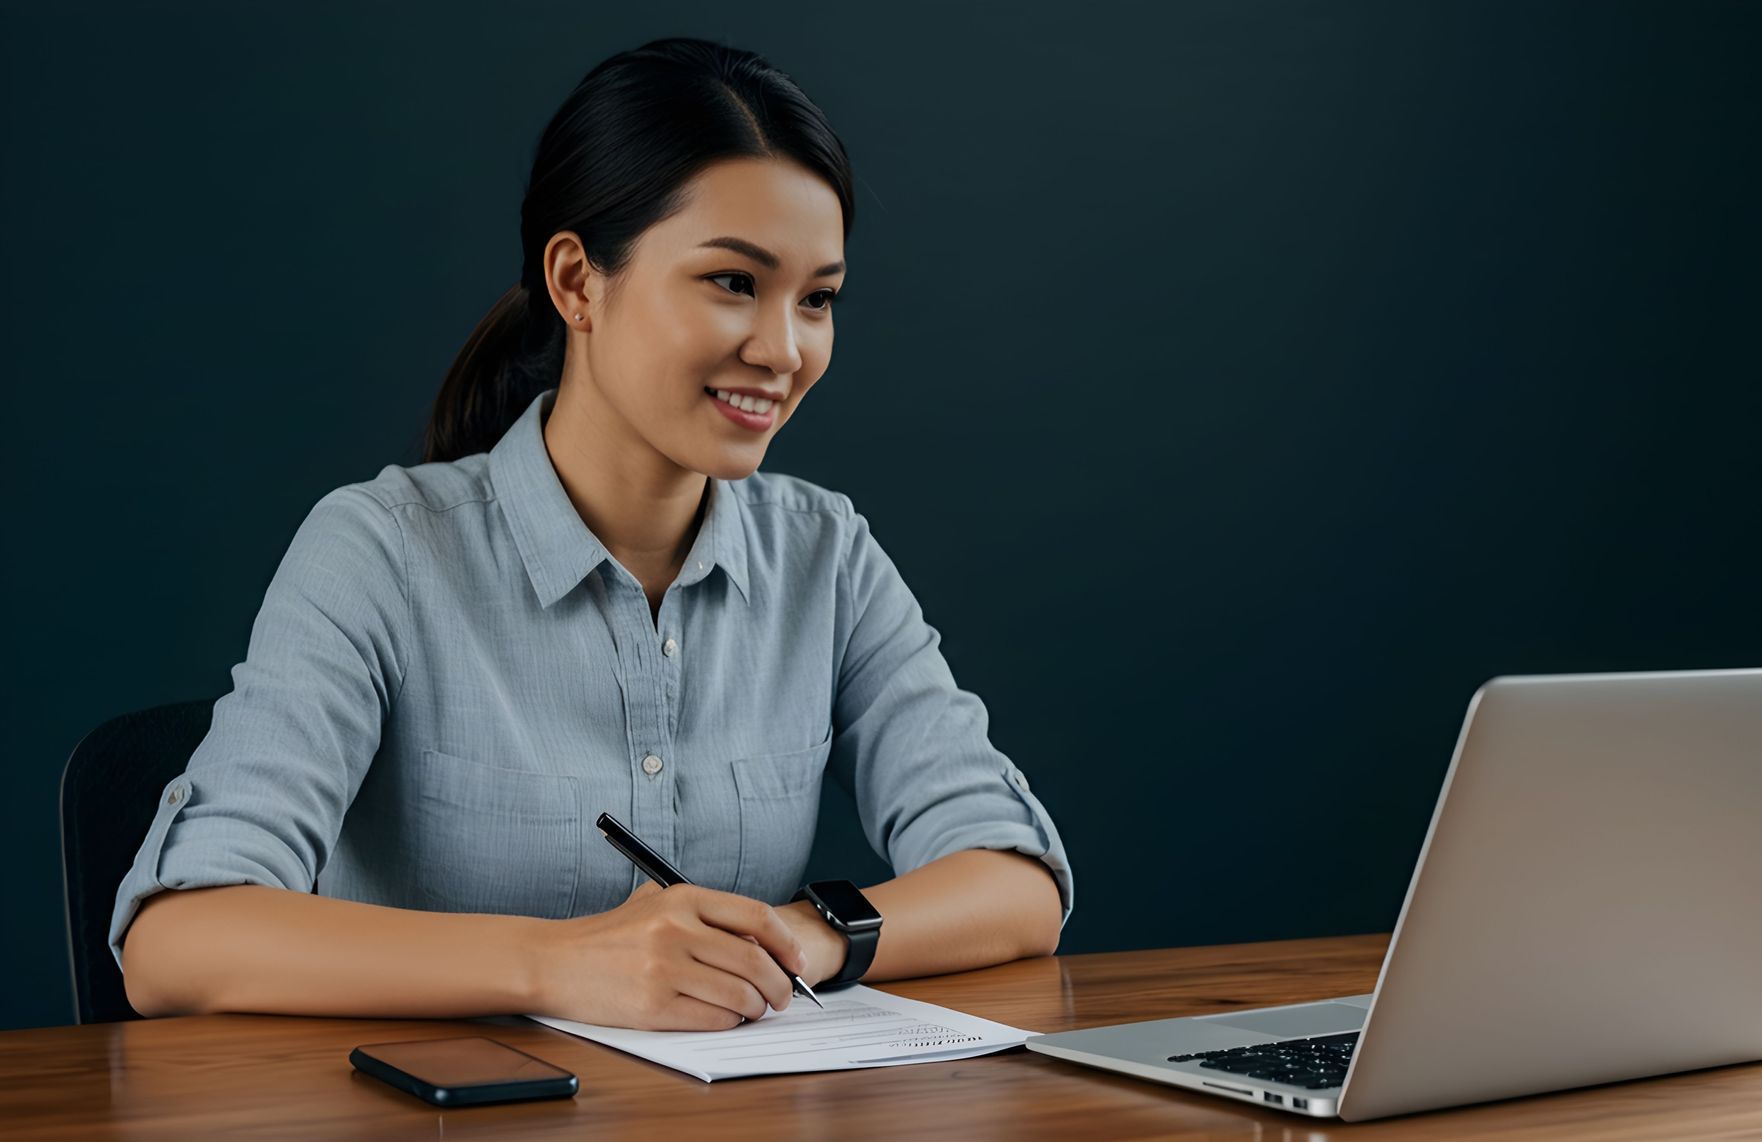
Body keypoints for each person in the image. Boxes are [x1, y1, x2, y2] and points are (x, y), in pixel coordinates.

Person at [111, 37, 1072, 1032]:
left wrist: (801, 939)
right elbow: (177, 939)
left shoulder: (824, 556)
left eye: (816, 299)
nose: (784, 350)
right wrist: (562, 962)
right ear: (577, 282)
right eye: (733, 283)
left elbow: (1015, 877)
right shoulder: (380, 554)